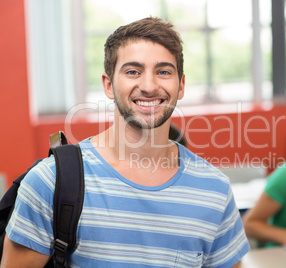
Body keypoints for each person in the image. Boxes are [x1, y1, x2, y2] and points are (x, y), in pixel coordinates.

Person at [1, 17, 249, 267]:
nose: (149, 86)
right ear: (108, 85)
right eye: (133, 71)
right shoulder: (50, 181)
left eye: (163, 71)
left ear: (181, 85)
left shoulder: (214, 190)